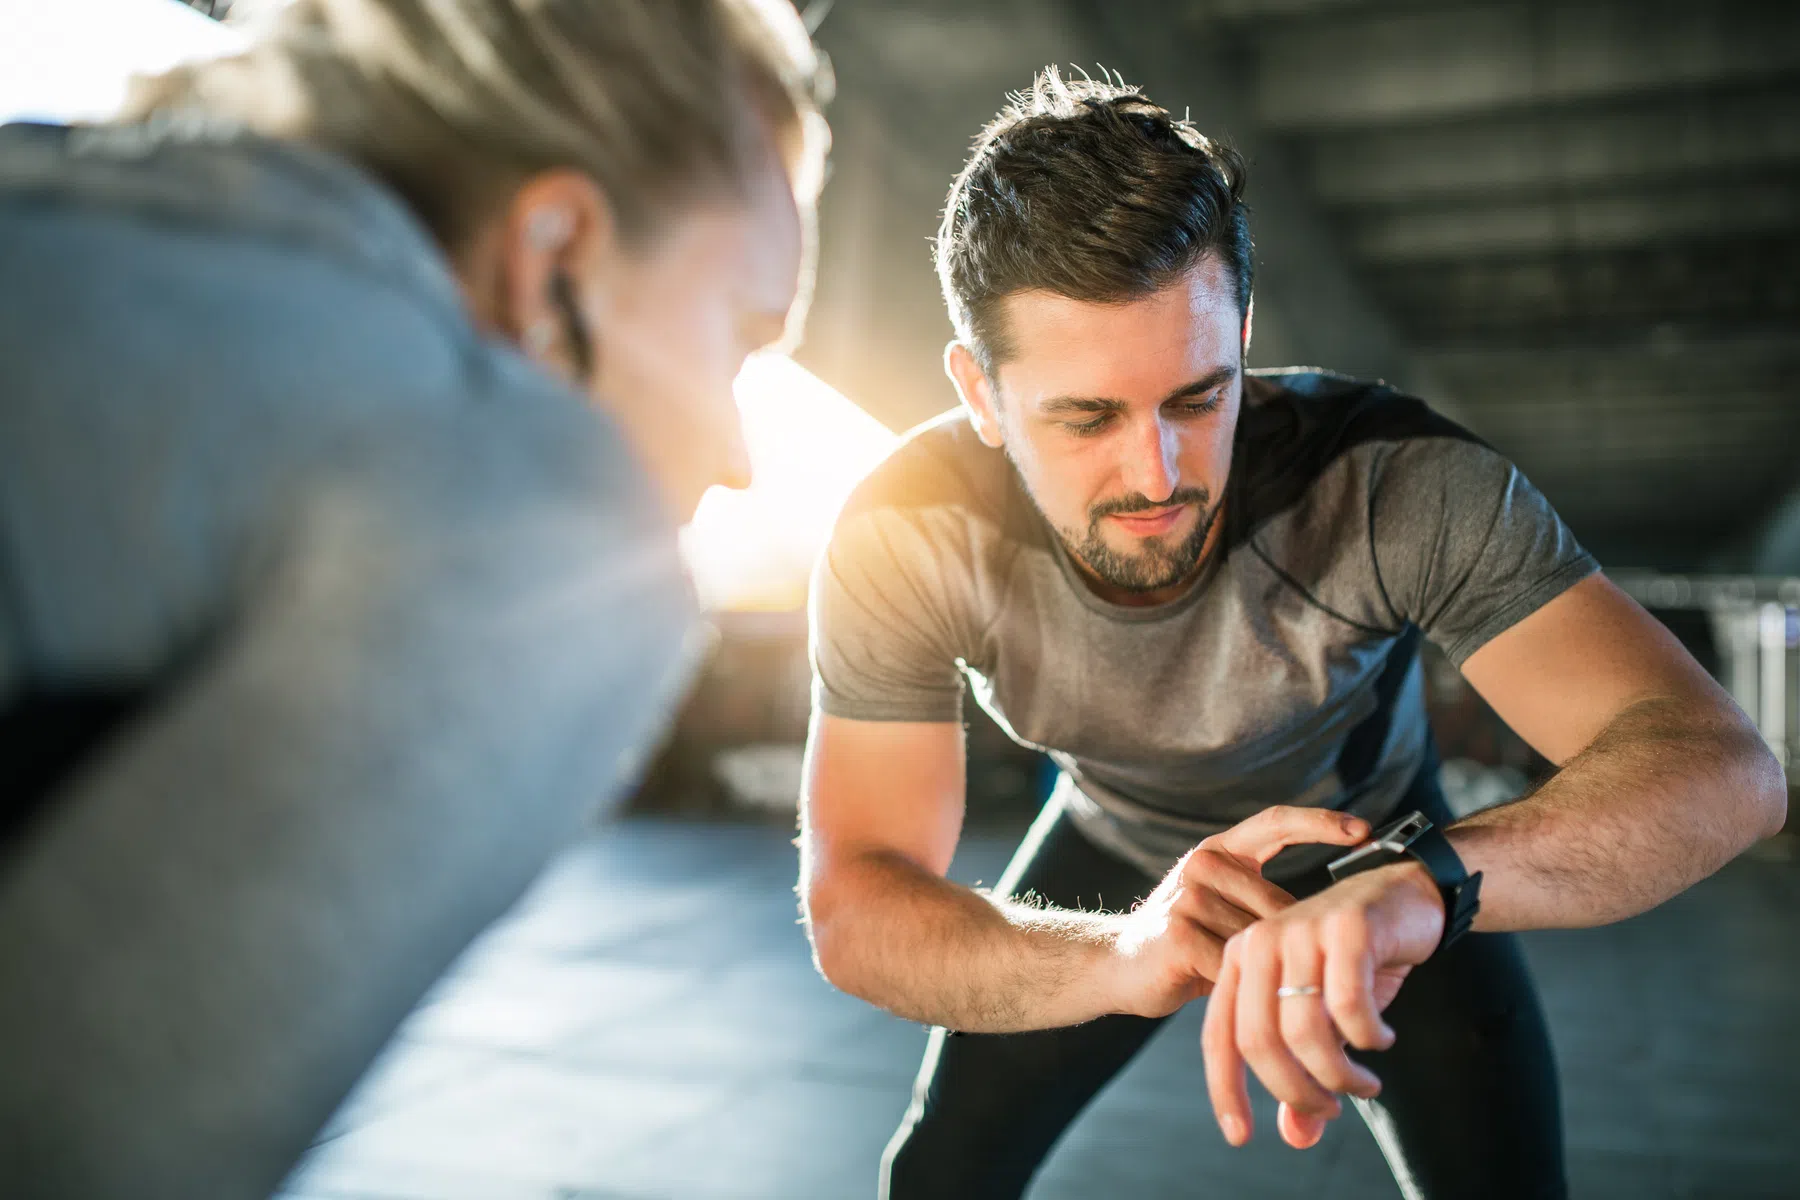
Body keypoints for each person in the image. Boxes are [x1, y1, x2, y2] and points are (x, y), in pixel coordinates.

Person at [798, 70, 1785, 1200]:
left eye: (1194, 398)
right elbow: (857, 902)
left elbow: (1725, 770)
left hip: (1381, 840)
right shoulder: (908, 534)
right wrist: (1121, 953)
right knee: (938, 1179)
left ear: (1244, 339)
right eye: (1087, 419)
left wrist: (1430, 881)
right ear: (980, 391)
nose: (1157, 476)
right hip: (1118, 846)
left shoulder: (1389, 484)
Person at [0, 2, 827, 1196]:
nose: (742, 455)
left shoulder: (78, 224)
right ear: (555, 254)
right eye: (742, 340)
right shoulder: (542, 512)